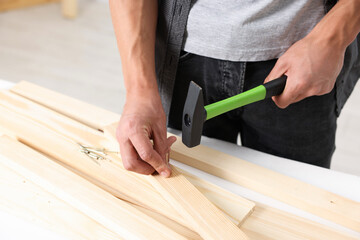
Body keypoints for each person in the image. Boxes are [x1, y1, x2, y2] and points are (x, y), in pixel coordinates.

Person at [109, 0, 360, 178]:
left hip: (303, 61)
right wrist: (139, 90)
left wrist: (332, 37)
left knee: (297, 206)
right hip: (183, 59)